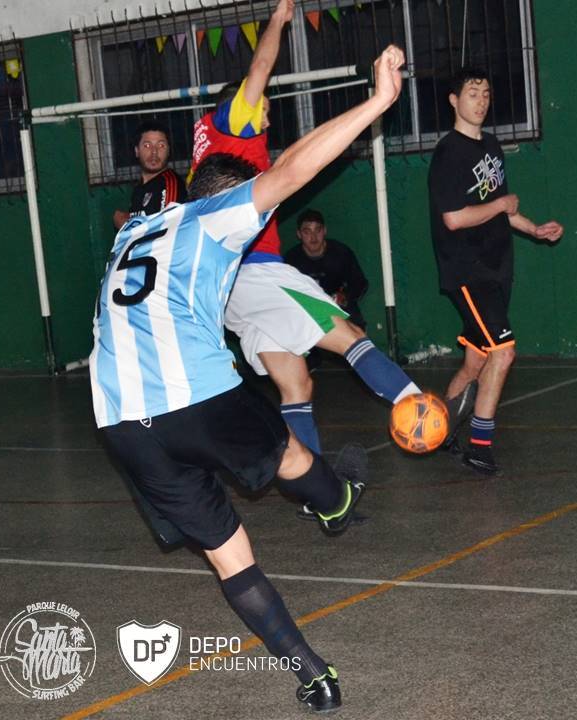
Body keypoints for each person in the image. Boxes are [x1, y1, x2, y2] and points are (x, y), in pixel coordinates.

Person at [90, 45, 406, 712]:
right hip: (195, 396)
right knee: (289, 455)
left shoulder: (132, 234)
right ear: (235, 202)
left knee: (230, 558)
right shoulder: (213, 217)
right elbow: (292, 169)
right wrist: (377, 102)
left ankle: (314, 676)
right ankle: (336, 501)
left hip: (120, 423)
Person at [190, 0, 428, 464]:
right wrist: (279, 20)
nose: (267, 118)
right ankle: (416, 404)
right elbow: (260, 67)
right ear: (238, 106)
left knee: (296, 384)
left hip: (225, 290)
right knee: (348, 334)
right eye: (263, 109)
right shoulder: (236, 128)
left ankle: (313, 486)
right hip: (257, 271)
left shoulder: (205, 144)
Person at [428, 68, 563, 475]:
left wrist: (533, 229)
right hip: (468, 271)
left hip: (497, 266)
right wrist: (502, 206)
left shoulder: (491, 145)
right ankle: (480, 446)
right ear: (454, 101)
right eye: (473, 93)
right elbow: (454, 218)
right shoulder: (448, 153)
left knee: (476, 361)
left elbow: (501, 206)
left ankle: (439, 432)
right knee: (503, 352)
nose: (481, 100)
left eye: (486, 93)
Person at [285, 208, 369, 329]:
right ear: (299, 234)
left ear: (324, 231)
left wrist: (344, 297)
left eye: (318, 230)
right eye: (307, 232)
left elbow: (360, 283)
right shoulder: (291, 259)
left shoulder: (341, 253)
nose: (313, 237)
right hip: (308, 315)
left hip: (340, 310)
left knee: (355, 327)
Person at [113, 121, 186, 229]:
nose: (154, 152)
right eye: (147, 145)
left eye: (161, 145)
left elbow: (166, 228)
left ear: (168, 151)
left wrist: (125, 225)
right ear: (137, 151)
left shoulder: (170, 183)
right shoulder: (139, 188)